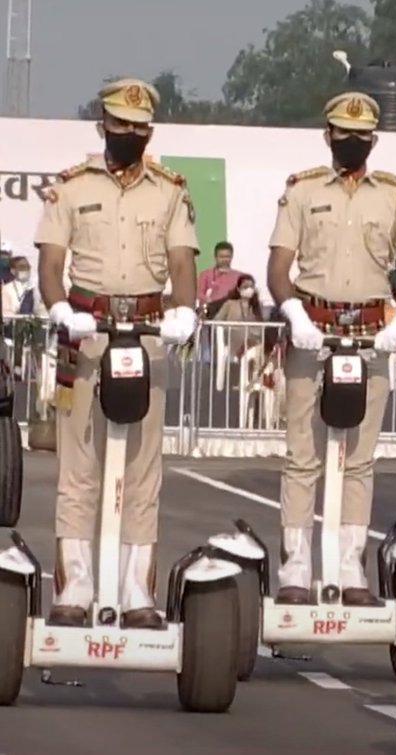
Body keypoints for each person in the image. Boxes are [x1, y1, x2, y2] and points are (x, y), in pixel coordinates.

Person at [34, 78, 200, 628]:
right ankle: (75, 588)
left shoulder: (170, 191)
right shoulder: (71, 187)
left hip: (148, 334)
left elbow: (181, 262)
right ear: (101, 124)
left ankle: (136, 593)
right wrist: (59, 309)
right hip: (88, 332)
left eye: (137, 126)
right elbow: (51, 264)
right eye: (118, 123)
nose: (127, 133)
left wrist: (185, 308)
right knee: (79, 467)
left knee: (142, 470)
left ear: (148, 131)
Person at [267, 92, 396, 606]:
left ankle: (349, 567)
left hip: (369, 336)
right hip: (311, 332)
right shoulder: (301, 190)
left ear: (374, 140)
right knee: (302, 456)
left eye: (363, 135)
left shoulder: (395, 196)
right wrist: (293, 313)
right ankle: (296, 566)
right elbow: (278, 266)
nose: (353, 141)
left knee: (359, 460)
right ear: (328, 136)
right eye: (344, 133)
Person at [198, 241, 243, 315]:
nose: (225, 260)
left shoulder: (239, 276)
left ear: (232, 257)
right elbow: (200, 294)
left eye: (227, 257)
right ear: (215, 257)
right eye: (221, 257)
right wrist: (208, 300)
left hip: (231, 315)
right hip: (211, 313)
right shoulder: (205, 275)